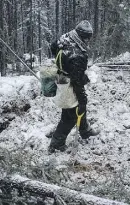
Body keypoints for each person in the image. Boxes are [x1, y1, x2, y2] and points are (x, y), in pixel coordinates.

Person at [48, 20, 99, 153]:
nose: (89, 40)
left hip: (62, 76)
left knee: (79, 109)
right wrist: (83, 99)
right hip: (69, 83)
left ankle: (85, 130)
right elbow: (77, 82)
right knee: (71, 113)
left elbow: (53, 47)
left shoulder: (66, 37)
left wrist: (63, 65)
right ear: (83, 36)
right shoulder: (78, 54)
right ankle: (56, 143)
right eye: (88, 37)